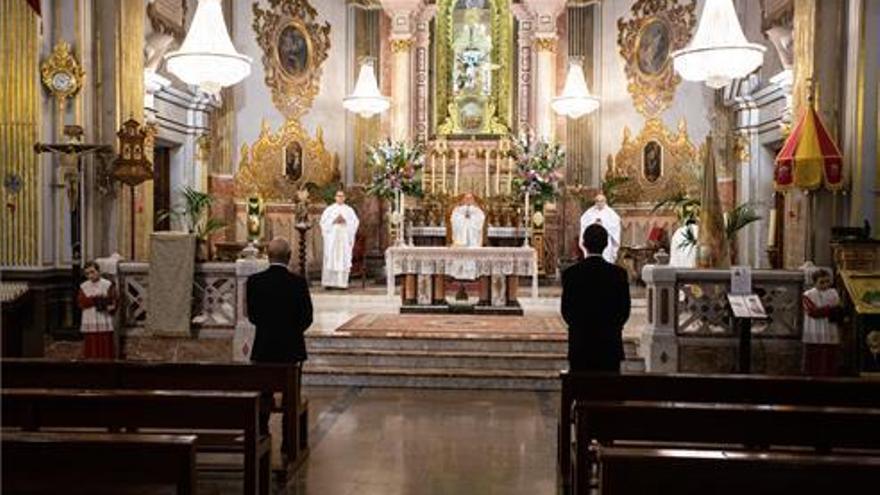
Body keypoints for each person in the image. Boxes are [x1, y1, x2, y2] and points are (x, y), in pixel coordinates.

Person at [246, 237, 313, 456]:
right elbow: (307, 317)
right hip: (291, 348)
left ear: (267, 255)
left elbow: (253, 316)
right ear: (289, 256)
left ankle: (262, 434)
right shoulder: (298, 282)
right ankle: (288, 442)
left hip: (263, 346)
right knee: (290, 396)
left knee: (263, 394)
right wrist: (292, 331)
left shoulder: (255, 281)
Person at [561, 225, 631, 372]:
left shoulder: (571, 274)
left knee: (580, 390)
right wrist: (611, 327)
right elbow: (624, 310)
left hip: (580, 344)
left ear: (584, 243)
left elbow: (566, 310)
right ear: (606, 244)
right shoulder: (618, 274)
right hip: (609, 344)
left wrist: (581, 327)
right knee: (608, 391)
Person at [802, 269, 842, 376]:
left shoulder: (833, 293)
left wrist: (829, 310)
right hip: (814, 329)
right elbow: (812, 312)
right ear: (815, 282)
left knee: (829, 356)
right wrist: (829, 309)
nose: (825, 285)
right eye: (822, 282)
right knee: (815, 357)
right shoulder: (808, 294)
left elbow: (838, 310)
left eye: (827, 281)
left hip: (829, 328)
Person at [319, 190, 360, 289]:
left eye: (342, 196)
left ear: (344, 198)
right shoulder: (329, 209)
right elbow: (323, 223)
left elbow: (355, 222)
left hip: (344, 239)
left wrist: (345, 221)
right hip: (332, 239)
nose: (340, 198)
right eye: (338, 196)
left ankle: (342, 283)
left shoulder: (349, 210)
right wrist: (333, 220)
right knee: (331, 258)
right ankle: (329, 283)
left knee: (343, 259)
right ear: (335, 197)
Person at [77, 261, 117, 359]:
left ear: (98, 271)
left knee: (105, 345)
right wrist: (95, 299)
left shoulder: (107, 284)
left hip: (103, 318)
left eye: (92, 272)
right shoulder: (84, 286)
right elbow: (81, 302)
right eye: (87, 273)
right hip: (89, 318)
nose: (90, 275)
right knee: (91, 346)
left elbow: (113, 299)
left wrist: (106, 303)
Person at [580, 193, 621, 263]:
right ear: (595, 202)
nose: (599, 203)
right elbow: (584, 224)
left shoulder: (611, 213)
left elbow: (615, 226)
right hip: (592, 241)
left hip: (605, 241)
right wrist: (594, 224)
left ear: (605, 202)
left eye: (601, 201)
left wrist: (603, 224)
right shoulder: (589, 213)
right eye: (597, 201)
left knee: (606, 260)